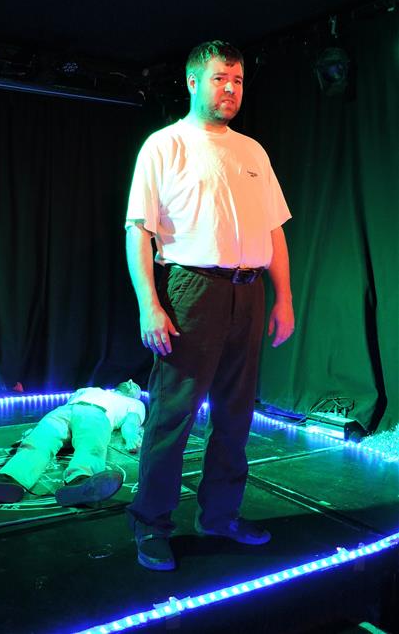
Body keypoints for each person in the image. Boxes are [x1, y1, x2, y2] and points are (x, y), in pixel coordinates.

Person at [125, 40, 295, 571]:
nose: (231, 89)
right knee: (173, 413)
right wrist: (149, 304)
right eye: (221, 78)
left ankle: (219, 516)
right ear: (194, 81)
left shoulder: (252, 151)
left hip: (248, 291)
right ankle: (152, 525)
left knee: (236, 414)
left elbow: (274, 230)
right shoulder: (164, 144)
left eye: (239, 81)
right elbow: (139, 231)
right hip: (192, 289)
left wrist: (283, 297)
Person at [0, 380, 146, 507]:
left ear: (136, 394)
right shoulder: (89, 389)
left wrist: (130, 437)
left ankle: (82, 481)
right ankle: (10, 479)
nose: (130, 382)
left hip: (97, 415)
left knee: (92, 445)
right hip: (65, 410)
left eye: (134, 384)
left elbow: (131, 422)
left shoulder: (135, 403)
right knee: (38, 440)